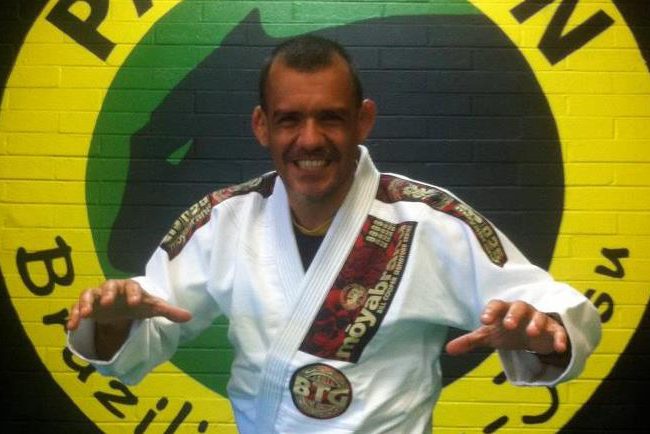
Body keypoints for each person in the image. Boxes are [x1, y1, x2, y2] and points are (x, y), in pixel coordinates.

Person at [67, 35, 601, 433]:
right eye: (288, 120)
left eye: (330, 118)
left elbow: (549, 304)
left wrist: (544, 331)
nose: (310, 139)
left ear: (363, 120)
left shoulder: (430, 221)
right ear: (261, 126)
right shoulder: (223, 221)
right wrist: (112, 323)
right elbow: (150, 319)